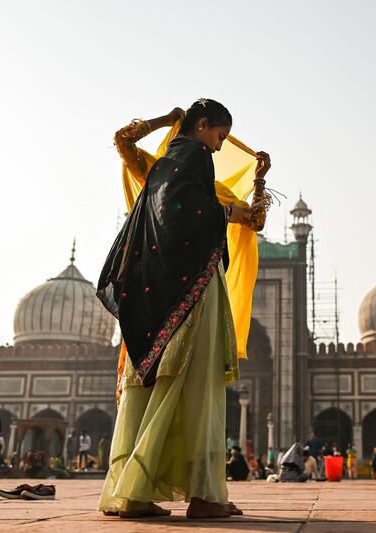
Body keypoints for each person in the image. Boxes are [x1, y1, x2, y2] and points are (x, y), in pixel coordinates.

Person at [96, 101, 270, 520]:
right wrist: (230, 210)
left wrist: (259, 182)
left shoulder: (161, 168)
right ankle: (204, 495)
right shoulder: (189, 158)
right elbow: (190, 211)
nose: (219, 145)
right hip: (190, 289)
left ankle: (134, 494)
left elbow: (252, 220)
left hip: (153, 290)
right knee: (198, 385)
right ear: (202, 126)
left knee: (153, 384)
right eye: (219, 135)